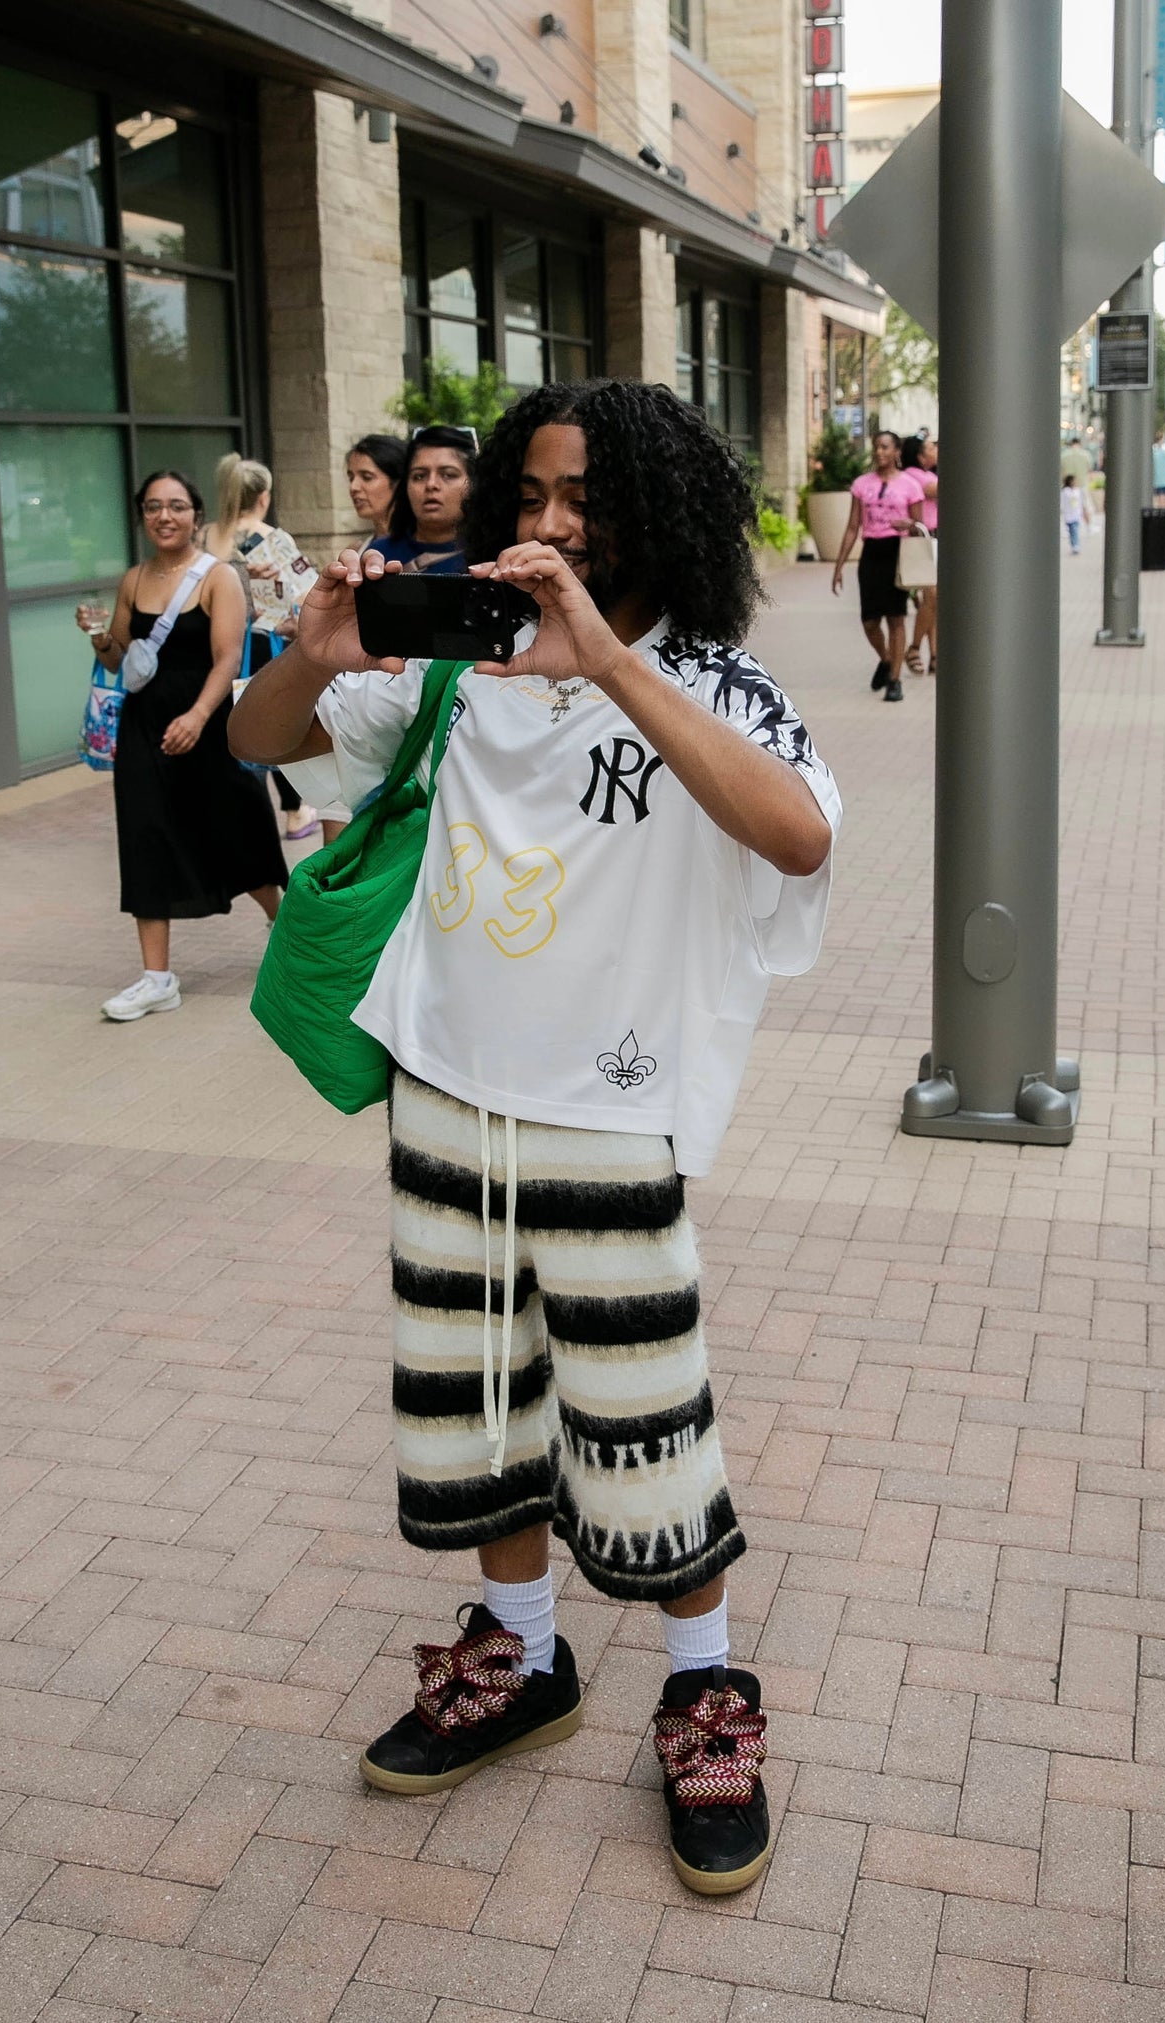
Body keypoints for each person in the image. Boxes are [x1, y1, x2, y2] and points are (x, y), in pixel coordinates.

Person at [231, 379, 840, 1898]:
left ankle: (703, 1686)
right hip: (444, 1088)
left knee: (643, 1420)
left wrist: (611, 660)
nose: (556, 527)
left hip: (612, 1111)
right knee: (476, 1409)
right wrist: (308, 653)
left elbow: (799, 832)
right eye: (537, 497)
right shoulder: (458, 661)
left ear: (663, 518)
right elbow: (256, 738)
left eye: (592, 501)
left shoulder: (711, 680)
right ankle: (524, 1654)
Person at [76, 470, 288, 1022]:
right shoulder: (133, 579)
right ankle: (156, 978)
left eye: (175, 506)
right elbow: (119, 658)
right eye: (152, 507)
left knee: (235, 827)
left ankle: (282, 924)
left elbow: (227, 658)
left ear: (197, 514)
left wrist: (197, 714)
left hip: (209, 726)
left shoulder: (218, 578)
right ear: (142, 515)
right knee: (145, 836)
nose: (164, 516)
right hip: (145, 728)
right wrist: (98, 636)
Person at [204, 453, 322, 841]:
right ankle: (294, 811)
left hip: (208, 647)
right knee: (271, 724)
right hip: (259, 645)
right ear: (264, 496)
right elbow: (308, 594)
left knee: (225, 730)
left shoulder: (204, 537)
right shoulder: (274, 539)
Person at [831, 430, 927, 701]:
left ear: (897, 451)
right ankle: (885, 660)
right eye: (876, 447)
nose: (879, 452)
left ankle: (895, 680)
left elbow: (920, 530)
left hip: (898, 553)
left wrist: (909, 524)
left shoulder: (910, 485)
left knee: (896, 618)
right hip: (872, 552)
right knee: (870, 621)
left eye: (885, 447)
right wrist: (838, 566)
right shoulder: (862, 484)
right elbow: (852, 527)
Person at [367, 424, 476, 574]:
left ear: (473, 484)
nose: (431, 484)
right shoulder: (378, 557)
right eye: (419, 476)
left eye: (448, 474)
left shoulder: (490, 558)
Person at [900, 434, 939, 677]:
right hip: (922, 541)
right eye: (930, 448)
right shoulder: (915, 476)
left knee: (934, 602)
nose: (935, 450)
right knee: (932, 595)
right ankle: (914, 648)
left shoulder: (930, 474)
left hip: (935, 538)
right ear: (919, 455)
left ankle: (935, 655)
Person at [346, 433, 407, 545]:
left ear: (399, 483)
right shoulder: (361, 550)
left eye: (367, 477)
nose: (353, 487)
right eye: (351, 478)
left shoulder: (424, 548)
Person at [1060, 471, 1090, 555]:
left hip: (1076, 514)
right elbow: (1062, 502)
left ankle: (1075, 545)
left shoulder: (1078, 490)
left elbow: (1081, 502)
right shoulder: (1065, 491)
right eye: (1074, 480)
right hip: (1068, 514)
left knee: (1074, 530)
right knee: (1072, 530)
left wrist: (1084, 511)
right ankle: (1074, 544)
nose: (1075, 482)